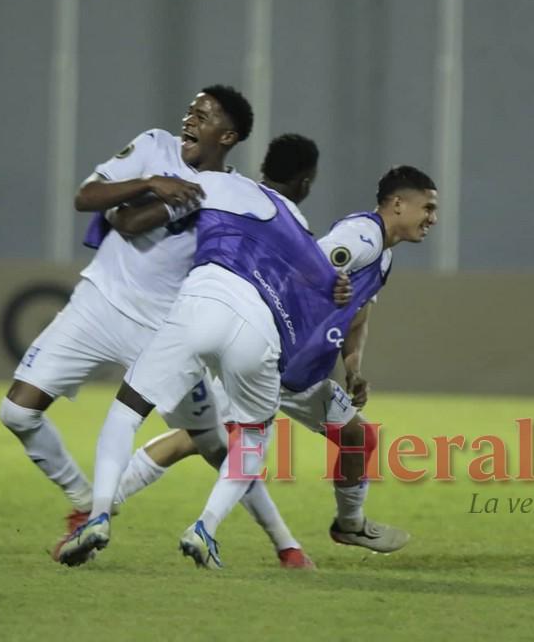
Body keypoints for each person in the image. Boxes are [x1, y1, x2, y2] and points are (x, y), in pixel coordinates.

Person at [0, 86, 287, 562]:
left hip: (163, 327)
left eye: (204, 114)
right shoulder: (154, 145)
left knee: (215, 442)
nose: (190, 119)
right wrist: (152, 182)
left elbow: (134, 224)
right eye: (190, 108)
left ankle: (285, 542)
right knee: (17, 412)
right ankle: (84, 502)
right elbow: (86, 197)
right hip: (96, 305)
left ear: (228, 134)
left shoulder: (230, 195)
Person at [113, 166, 439, 554]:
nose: (432, 218)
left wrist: (352, 368)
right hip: (269, 358)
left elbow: (358, 313)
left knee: (356, 436)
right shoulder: (361, 236)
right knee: (196, 439)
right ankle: (103, 504)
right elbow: (303, 268)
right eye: (428, 207)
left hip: (302, 373)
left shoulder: (382, 257)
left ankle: (350, 525)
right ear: (399, 204)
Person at [55, 165, 351, 569]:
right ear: (304, 185)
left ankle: (99, 513)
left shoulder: (214, 183)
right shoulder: (298, 228)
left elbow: (129, 219)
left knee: (128, 411)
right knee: (247, 441)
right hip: (256, 329)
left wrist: (126, 202)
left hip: (199, 305)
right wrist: (337, 291)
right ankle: (206, 528)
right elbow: (324, 300)